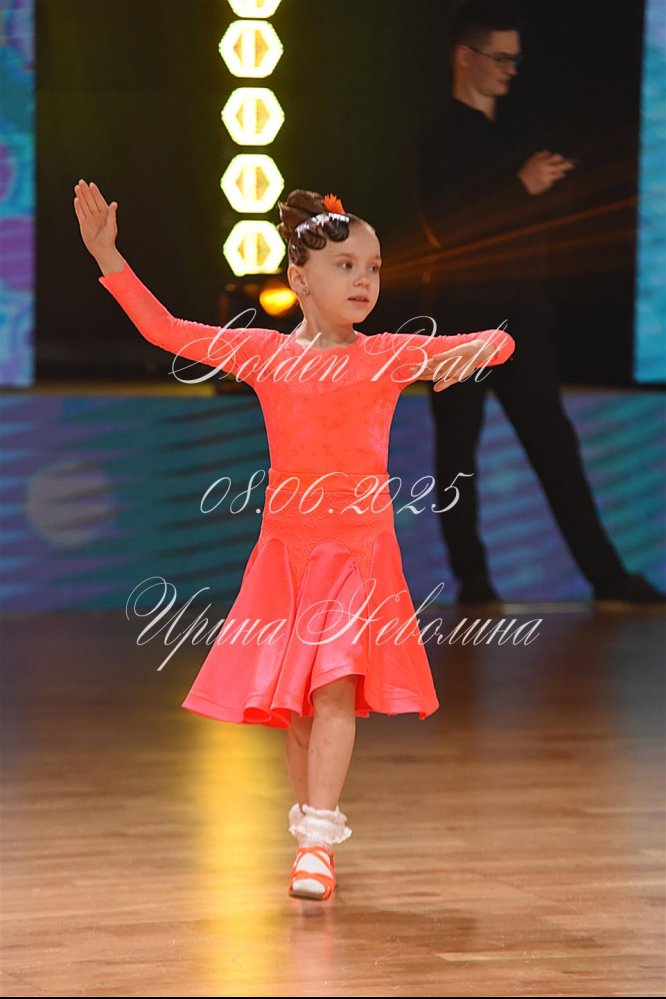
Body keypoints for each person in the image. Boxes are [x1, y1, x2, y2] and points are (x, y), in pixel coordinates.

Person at [73, 178, 515, 900]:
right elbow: (166, 331)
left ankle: (317, 843)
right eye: (346, 266)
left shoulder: (387, 354)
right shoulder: (267, 355)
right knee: (300, 708)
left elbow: (500, 340)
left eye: (373, 267)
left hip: (358, 555)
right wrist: (107, 257)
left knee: (335, 688)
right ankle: (311, 834)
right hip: (287, 554)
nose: (364, 280)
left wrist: (474, 354)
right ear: (299, 279)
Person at [414, 0, 665, 608]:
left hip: (523, 315)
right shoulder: (440, 140)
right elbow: (448, 226)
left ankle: (607, 577)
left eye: (515, 59)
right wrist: (519, 187)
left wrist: (536, 191)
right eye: (500, 58)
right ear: (465, 57)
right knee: (458, 452)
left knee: (556, 447)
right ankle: (474, 581)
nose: (510, 69)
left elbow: (555, 207)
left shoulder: (522, 131)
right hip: (461, 320)